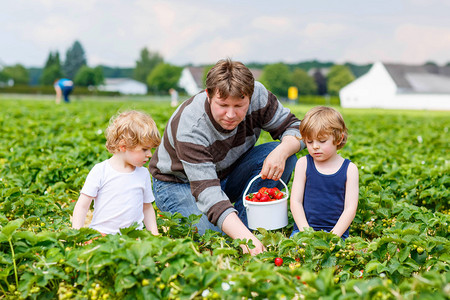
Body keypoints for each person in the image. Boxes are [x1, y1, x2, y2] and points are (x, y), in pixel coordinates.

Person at [149, 58, 304, 255]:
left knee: (287, 155)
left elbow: (297, 128)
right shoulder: (191, 127)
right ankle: (247, 228)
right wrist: (245, 239)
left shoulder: (259, 95)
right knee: (215, 238)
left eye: (239, 105)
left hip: (227, 172)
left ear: (250, 95)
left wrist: (282, 151)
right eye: (223, 105)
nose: (231, 114)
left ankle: (242, 222)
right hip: (179, 183)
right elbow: (207, 193)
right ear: (209, 95)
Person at [72, 110, 161, 235]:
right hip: (101, 234)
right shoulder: (101, 171)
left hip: (133, 235)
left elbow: (146, 208)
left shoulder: (143, 174)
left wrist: (155, 234)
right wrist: (77, 234)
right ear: (123, 146)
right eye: (145, 149)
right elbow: (82, 206)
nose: (149, 154)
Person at [290, 106, 359, 239]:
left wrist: (333, 236)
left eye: (322, 141)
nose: (315, 146)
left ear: (338, 139)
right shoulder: (303, 164)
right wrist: (306, 232)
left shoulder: (350, 169)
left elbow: (350, 208)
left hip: (336, 233)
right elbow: (295, 202)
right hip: (304, 230)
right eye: (309, 142)